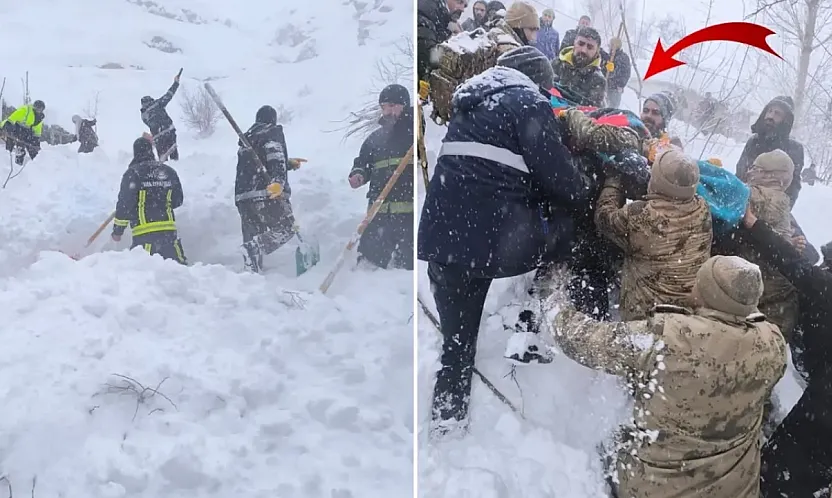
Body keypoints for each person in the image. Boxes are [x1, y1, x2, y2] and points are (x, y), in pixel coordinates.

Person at [418, 46, 589, 435]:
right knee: (565, 219)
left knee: (457, 343)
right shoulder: (528, 101)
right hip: (493, 240)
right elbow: (560, 179)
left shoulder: (468, 104)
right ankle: (532, 315)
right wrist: (585, 187)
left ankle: (448, 418)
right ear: (536, 80)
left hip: (445, 236)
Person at [553, 255, 787, 498]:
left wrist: (554, 301)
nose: (692, 285)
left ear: (711, 295)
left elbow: (584, 342)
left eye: (700, 282)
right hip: (737, 489)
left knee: (612, 447)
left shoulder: (671, 340)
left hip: (658, 489)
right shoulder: (773, 345)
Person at [738, 207, 832, 497]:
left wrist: (753, 226)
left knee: (785, 467)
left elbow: (792, 263)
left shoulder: (824, 286)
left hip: (824, 406)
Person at [594, 147, 712, 321]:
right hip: (688, 316)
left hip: (648, 318)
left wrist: (613, 180)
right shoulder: (703, 208)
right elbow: (671, 195)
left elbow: (603, 217)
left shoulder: (640, 216)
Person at [349, 84, 414, 270]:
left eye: (392, 106)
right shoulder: (374, 139)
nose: (387, 111)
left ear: (404, 105)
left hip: (408, 220)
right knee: (368, 268)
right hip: (378, 218)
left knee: (405, 273)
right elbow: (362, 163)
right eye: (383, 107)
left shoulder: (413, 134)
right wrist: (358, 174)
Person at [235, 105, 300, 273]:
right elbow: (275, 156)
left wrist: (288, 164)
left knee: (254, 237)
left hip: (244, 197)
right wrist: (279, 180)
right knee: (288, 227)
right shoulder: (272, 131)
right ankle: (253, 249)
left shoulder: (248, 138)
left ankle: (251, 275)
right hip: (265, 193)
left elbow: (257, 162)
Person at [112, 136, 186, 264]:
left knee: (144, 274)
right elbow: (177, 200)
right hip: (169, 235)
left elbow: (124, 206)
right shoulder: (168, 172)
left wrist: (117, 231)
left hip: (145, 236)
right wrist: (160, 201)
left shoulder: (133, 173)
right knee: (179, 272)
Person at [735, 96, 804, 207]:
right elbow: (740, 174)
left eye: (777, 113)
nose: (770, 116)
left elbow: (792, 188)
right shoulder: (753, 141)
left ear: (786, 120)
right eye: (769, 111)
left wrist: (775, 209)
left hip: (772, 207)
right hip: (743, 201)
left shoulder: (794, 149)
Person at [552, 26, 606, 106]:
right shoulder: (557, 64)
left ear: (597, 51)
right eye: (581, 44)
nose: (583, 50)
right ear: (574, 42)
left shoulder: (598, 80)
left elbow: (592, 111)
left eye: (590, 47)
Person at [140, 70, 181, 160]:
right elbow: (169, 94)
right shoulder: (157, 104)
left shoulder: (143, 116)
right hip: (169, 131)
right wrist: (176, 83)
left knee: (163, 160)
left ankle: (163, 171)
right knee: (174, 157)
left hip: (158, 138)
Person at [1, 99, 46, 165]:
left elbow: (37, 132)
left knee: (33, 147)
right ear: (34, 107)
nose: (38, 110)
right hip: (14, 127)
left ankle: (37, 164)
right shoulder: (25, 110)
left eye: (40, 109)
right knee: (19, 146)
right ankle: (10, 159)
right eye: (37, 108)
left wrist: (36, 144)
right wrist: (6, 128)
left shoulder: (39, 118)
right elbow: (12, 119)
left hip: (26, 131)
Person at [604, 37, 631, 108]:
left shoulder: (623, 58)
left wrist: (613, 71)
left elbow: (625, 74)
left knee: (612, 108)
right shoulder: (609, 56)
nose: (609, 47)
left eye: (610, 45)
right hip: (606, 87)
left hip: (615, 89)